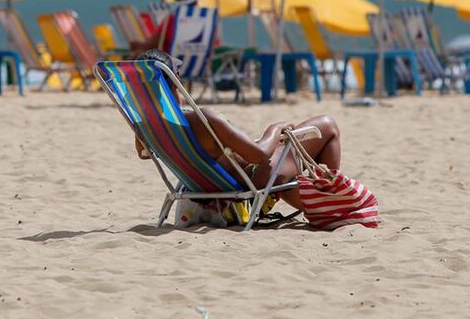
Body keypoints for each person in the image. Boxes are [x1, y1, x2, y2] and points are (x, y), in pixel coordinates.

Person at [132, 49, 345, 215]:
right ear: (175, 80)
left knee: (282, 149)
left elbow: (143, 154)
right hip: (252, 180)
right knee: (327, 125)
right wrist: (275, 129)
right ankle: (331, 195)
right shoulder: (203, 119)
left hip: (209, 187)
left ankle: (316, 198)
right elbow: (259, 155)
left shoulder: (146, 126)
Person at [128, 0, 200, 54]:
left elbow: (152, 44)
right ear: (194, 4)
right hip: (197, 64)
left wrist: (139, 45)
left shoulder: (172, 20)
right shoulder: (202, 22)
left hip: (169, 63)